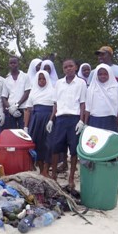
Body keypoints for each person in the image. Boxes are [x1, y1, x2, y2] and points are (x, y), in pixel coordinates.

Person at [46, 59, 87, 189]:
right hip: (60, 119)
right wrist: (51, 119)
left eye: (71, 66)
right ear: (63, 69)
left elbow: (82, 103)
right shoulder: (59, 83)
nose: (68, 68)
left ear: (75, 67)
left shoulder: (81, 83)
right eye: (65, 67)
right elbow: (55, 104)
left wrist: (82, 120)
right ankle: (53, 176)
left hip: (74, 119)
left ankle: (71, 178)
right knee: (55, 147)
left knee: (74, 149)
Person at [23, 70, 56, 176]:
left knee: (49, 145)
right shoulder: (33, 92)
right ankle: (41, 169)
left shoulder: (52, 91)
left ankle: (47, 169)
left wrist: (51, 119)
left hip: (49, 120)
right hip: (36, 120)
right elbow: (28, 110)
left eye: (44, 78)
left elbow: (56, 107)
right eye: (39, 79)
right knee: (37, 145)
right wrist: (25, 126)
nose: (41, 81)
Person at [84, 64, 118, 132]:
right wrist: (85, 124)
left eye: (105, 74)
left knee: (110, 142)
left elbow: (117, 108)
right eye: (100, 74)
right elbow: (88, 108)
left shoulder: (115, 88)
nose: (103, 76)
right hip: (95, 120)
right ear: (96, 75)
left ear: (110, 74)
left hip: (111, 120)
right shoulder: (91, 88)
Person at [2, 56, 31, 129]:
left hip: (23, 109)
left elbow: (27, 92)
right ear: (9, 65)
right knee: (13, 134)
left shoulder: (25, 76)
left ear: (18, 64)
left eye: (14, 63)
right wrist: (10, 109)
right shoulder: (7, 79)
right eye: (11, 63)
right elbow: (3, 97)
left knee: (23, 133)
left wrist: (17, 105)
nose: (13, 64)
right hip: (11, 111)